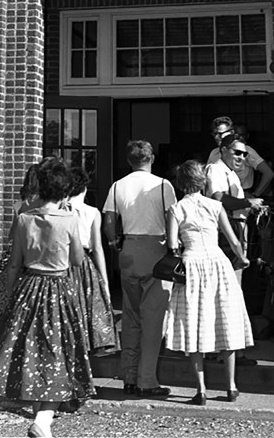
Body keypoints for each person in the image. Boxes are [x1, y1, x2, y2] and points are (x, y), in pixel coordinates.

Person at [0, 157, 94, 438]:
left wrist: (7, 296)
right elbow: (78, 260)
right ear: (63, 190)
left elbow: (14, 264)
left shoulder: (24, 219)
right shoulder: (69, 218)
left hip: (29, 288)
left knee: (30, 350)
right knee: (62, 352)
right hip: (58, 289)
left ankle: (41, 415)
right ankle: (44, 419)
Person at [165, 160, 253, 403]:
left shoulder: (176, 209)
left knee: (193, 324)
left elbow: (173, 244)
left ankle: (201, 390)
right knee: (226, 320)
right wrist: (243, 258)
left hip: (192, 264)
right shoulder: (215, 206)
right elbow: (233, 240)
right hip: (218, 262)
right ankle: (231, 386)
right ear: (201, 181)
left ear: (181, 183)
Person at [102, 139, 177, 397]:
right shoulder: (163, 185)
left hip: (129, 247)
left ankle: (129, 377)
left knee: (131, 315)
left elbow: (109, 219)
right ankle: (147, 380)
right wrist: (173, 246)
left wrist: (115, 243)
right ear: (151, 158)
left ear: (128, 160)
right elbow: (172, 217)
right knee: (153, 318)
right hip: (156, 247)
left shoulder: (117, 185)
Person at [68, 166, 119, 356]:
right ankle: (93, 345)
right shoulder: (92, 212)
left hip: (62, 262)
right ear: (84, 189)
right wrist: (104, 280)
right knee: (89, 306)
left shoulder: (60, 209)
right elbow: (97, 248)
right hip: (84, 261)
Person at [205, 133, 265, 283]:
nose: (241, 157)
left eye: (244, 154)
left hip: (237, 228)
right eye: (237, 152)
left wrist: (251, 206)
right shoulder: (215, 169)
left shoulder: (231, 173)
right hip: (226, 231)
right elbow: (218, 198)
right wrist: (248, 202)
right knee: (228, 280)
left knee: (236, 278)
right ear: (224, 150)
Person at [0, 163, 40, 319]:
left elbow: (12, 234)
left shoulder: (20, 204)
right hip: (35, 251)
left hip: (16, 249)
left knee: (8, 294)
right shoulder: (45, 205)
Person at [207, 118, 274, 200]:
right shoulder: (214, 154)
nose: (219, 137)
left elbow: (268, 173)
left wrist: (255, 195)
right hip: (220, 198)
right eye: (216, 134)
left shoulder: (244, 150)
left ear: (232, 132)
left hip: (242, 196)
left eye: (222, 133)